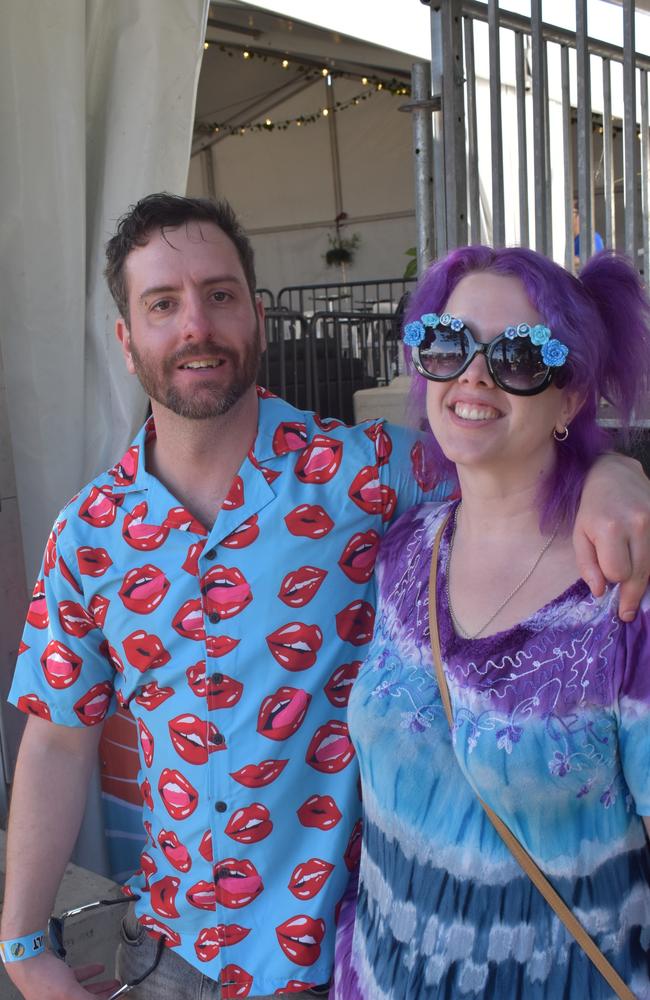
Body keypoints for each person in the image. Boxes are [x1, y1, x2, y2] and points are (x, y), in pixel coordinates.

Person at [1, 196, 649, 1000]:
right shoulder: (87, 534)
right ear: (127, 342)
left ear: (259, 319)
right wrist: (26, 945)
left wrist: (613, 475)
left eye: (221, 294)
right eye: (163, 304)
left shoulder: (370, 475)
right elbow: (59, 739)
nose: (197, 324)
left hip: (330, 965)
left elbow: (505, 451)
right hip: (171, 957)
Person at [333, 246, 650, 999]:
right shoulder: (406, 550)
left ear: (570, 398)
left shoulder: (624, 594)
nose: (473, 375)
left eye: (518, 356)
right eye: (448, 343)